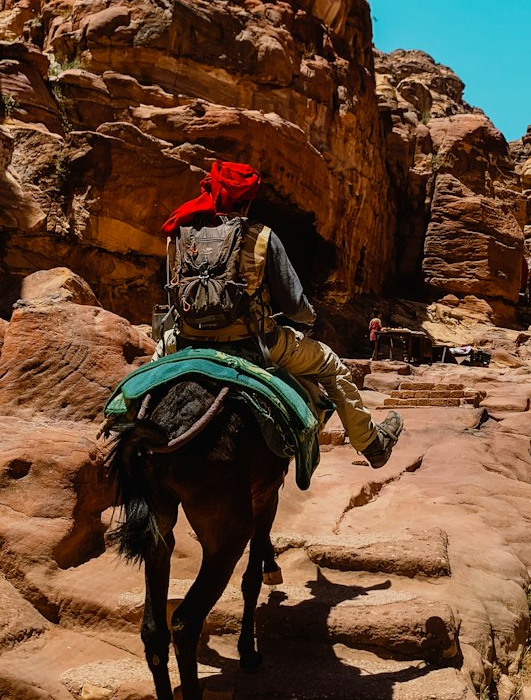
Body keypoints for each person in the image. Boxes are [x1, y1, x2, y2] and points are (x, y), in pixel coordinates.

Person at [160, 161, 404, 469]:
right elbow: (294, 305)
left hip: (185, 341)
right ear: (246, 200)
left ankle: (121, 429)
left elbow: (170, 293)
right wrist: (309, 319)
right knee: (331, 366)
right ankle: (371, 444)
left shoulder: (180, 233)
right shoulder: (261, 237)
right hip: (255, 344)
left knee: (151, 374)